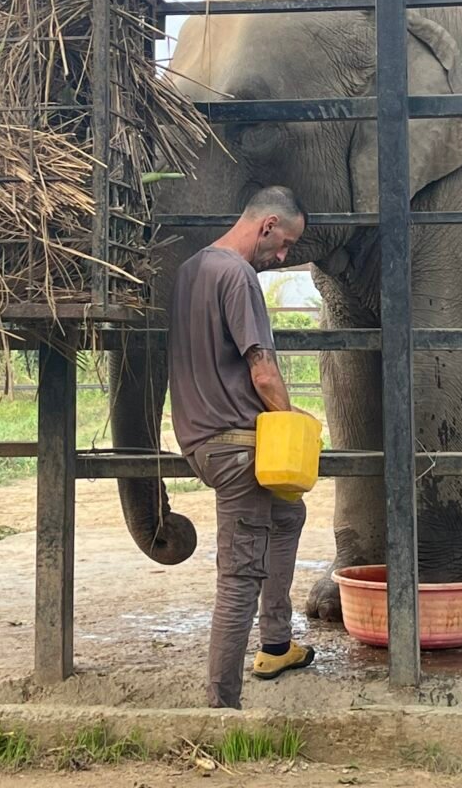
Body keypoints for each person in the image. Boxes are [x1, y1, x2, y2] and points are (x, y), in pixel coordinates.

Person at [168, 186, 316, 709]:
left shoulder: (190, 271)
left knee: (289, 514)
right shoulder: (238, 275)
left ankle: (276, 641)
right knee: (238, 578)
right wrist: (292, 423)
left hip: (200, 439)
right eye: (284, 246)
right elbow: (263, 370)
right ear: (268, 225)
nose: (281, 258)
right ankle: (221, 707)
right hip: (237, 447)